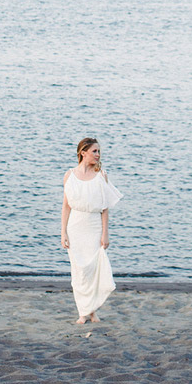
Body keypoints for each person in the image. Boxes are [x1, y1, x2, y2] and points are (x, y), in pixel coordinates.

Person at [61, 137, 122, 324]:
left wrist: (105, 233)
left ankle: (93, 311)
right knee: (79, 270)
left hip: (94, 226)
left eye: (99, 152)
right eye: (94, 151)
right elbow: (65, 207)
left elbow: (105, 208)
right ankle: (82, 311)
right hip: (76, 227)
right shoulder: (69, 175)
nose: (98, 155)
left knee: (94, 269)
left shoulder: (101, 175)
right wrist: (63, 232)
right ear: (83, 152)